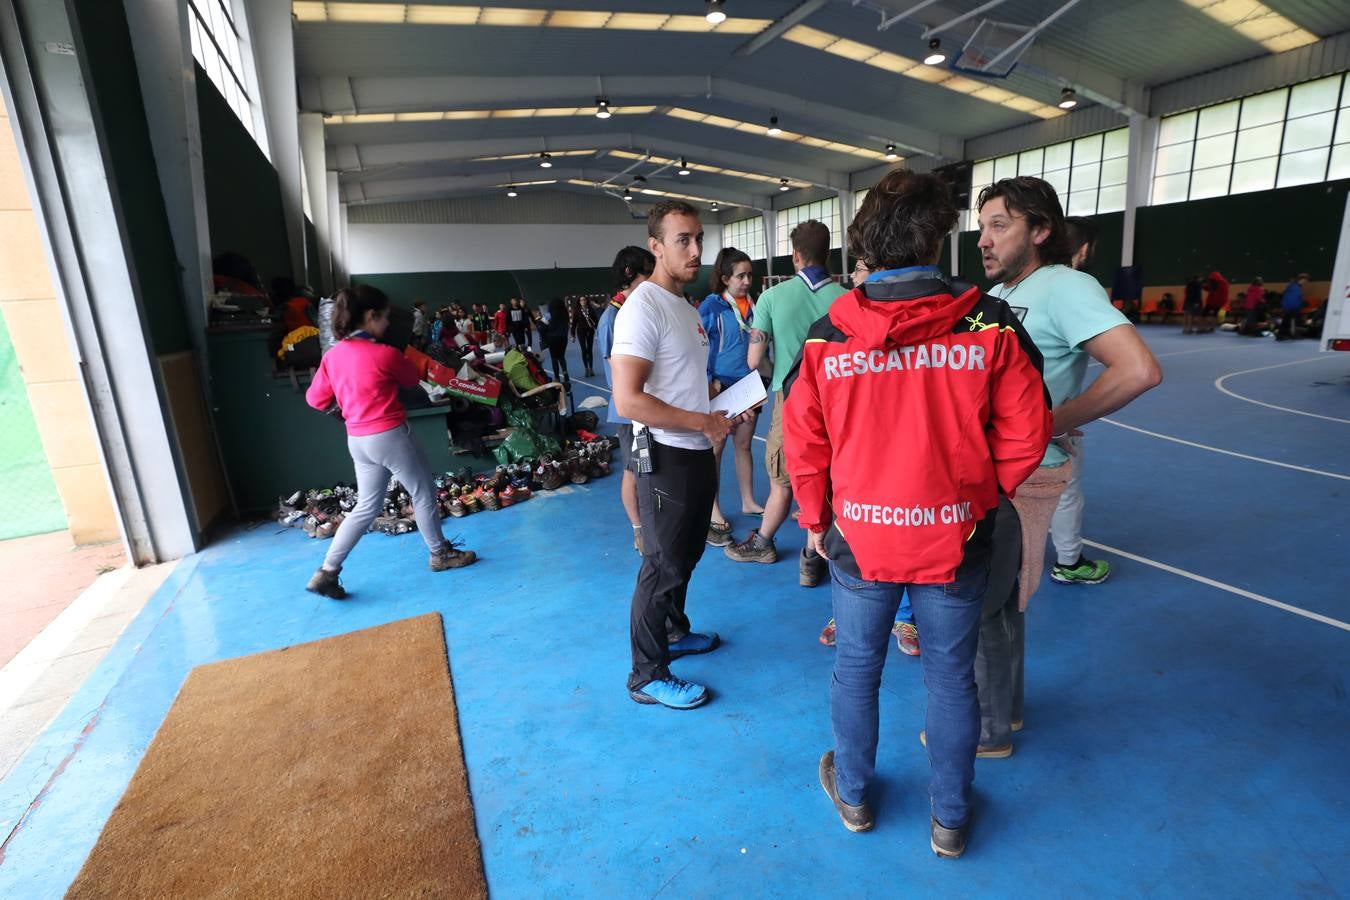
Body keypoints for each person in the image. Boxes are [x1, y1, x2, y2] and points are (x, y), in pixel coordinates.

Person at [784, 169, 1052, 858]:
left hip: (858, 542)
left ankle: (853, 797)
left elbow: (803, 443)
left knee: (856, 669)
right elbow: (1026, 434)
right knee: (950, 676)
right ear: (938, 236)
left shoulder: (825, 337)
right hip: (955, 539)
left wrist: (816, 519)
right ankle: (950, 820)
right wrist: (976, 497)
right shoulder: (990, 325)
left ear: (866, 238)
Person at [974, 176, 1161, 759]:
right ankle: (1006, 712)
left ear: (1041, 230)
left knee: (979, 602)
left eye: (999, 226)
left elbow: (1137, 369)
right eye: (982, 227)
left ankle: (985, 733)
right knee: (999, 600)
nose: (983, 239)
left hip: (1023, 473)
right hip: (998, 470)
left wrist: (1049, 422)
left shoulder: (1066, 285)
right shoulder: (1010, 292)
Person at [611, 200, 749, 711]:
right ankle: (646, 674)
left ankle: (673, 631)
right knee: (661, 563)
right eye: (682, 241)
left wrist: (718, 410)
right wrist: (704, 422)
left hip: (694, 448)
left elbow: (682, 387)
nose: (695, 250)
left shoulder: (687, 308)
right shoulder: (642, 307)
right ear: (656, 247)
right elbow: (629, 400)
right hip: (664, 452)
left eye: (698, 239)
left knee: (686, 554)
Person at [302, 286, 477, 598]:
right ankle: (441, 554)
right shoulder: (385, 353)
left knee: (366, 507)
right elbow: (411, 379)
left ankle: (326, 572)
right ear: (371, 317)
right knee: (423, 493)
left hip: (357, 439)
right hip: (391, 436)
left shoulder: (333, 356)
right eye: (383, 318)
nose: (386, 325)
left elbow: (315, 399)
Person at [699, 247, 763, 544]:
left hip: (749, 385)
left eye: (750, 275)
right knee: (716, 449)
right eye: (741, 275)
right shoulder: (711, 307)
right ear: (725, 278)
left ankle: (748, 500)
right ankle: (712, 508)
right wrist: (709, 381)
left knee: (745, 446)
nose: (747, 280)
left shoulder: (755, 304)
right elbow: (702, 348)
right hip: (721, 387)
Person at [600, 247, 655, 555]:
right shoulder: (612, 319)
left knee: (647, 469)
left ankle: (650, 523)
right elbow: (617, 378)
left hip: (647, 410)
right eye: (647, 273)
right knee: (632, 472)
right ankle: (638, 530)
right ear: (629, 275)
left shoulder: (636, 311)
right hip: (629, 415)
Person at [543, 296, 571, 382]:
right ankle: (565, 373)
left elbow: (542, 325)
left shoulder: (549, 314)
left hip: (552, 338)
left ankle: (557, 377)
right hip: (563, 338)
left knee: (554, 358)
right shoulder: (565, 314)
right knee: (561, 357)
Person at [574, 293, 600, 378]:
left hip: (590, 331)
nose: (583, 301)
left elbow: (596, 321)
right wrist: (572, 334)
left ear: (586, 301)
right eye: (581, 300)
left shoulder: (591, 309)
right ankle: (586, 368)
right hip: (581, 332)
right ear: (579, 302)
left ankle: (591, 368)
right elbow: (574, 323)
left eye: (584, 300)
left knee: (589, 350)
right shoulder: (577, 311)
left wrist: (598, 330)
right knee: (584, 350)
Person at [1277, 273, 1308, 341]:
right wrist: (1295, 306)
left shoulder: (1295, 286)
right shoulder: (1295, 287)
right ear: (1301, 279)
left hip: (1291, 307)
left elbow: (1296, 298)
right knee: (1288, 321)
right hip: (1291, 307)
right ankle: (1283, 335)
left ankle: (1285, 335)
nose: (1305, 282)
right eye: (1304, 280)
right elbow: (1293, 298)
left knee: (1289, 321)